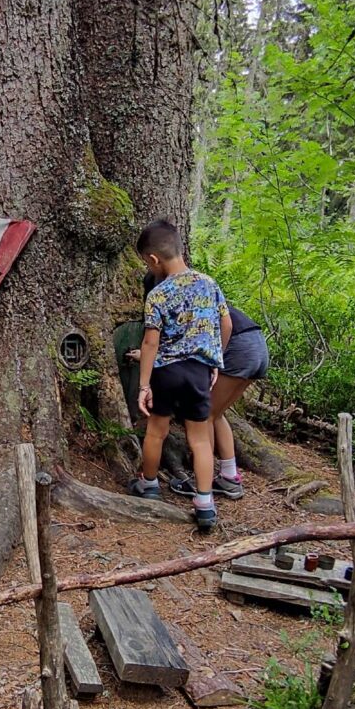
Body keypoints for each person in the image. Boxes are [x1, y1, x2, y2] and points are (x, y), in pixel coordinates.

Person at [128, 220, 232, 532]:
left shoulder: (158, 295)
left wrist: (144, 384)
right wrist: (215, 360)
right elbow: (226, 326)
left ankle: (149, 484)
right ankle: (205, 504)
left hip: (166, 371)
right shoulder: (208, 284)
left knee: (156, 431)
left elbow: (150, 342)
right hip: (199, 371)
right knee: (200, 440)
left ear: (152, 260)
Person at [130, 275, 269, 500]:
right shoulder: (200, 290)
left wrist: (146, 358)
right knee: (216, 414)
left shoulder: (170, 298)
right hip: (257, 345)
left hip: (238, 347)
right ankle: (229, 476)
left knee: (204, 418)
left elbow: (176, 346)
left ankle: (200, 483)